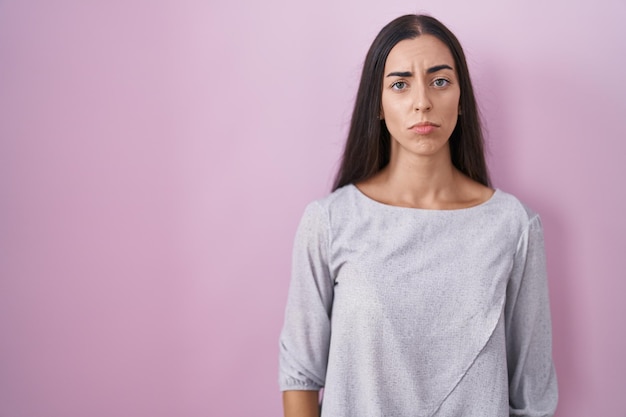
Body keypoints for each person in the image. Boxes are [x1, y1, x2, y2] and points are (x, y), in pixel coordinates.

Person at [278, 14, 558, 417]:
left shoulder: (513, 226)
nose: (422, 101)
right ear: (377, 103)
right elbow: (300, 378)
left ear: (461, 98)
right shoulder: (330, 221)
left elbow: (532, 396)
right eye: (400, 83)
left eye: (440, 81)